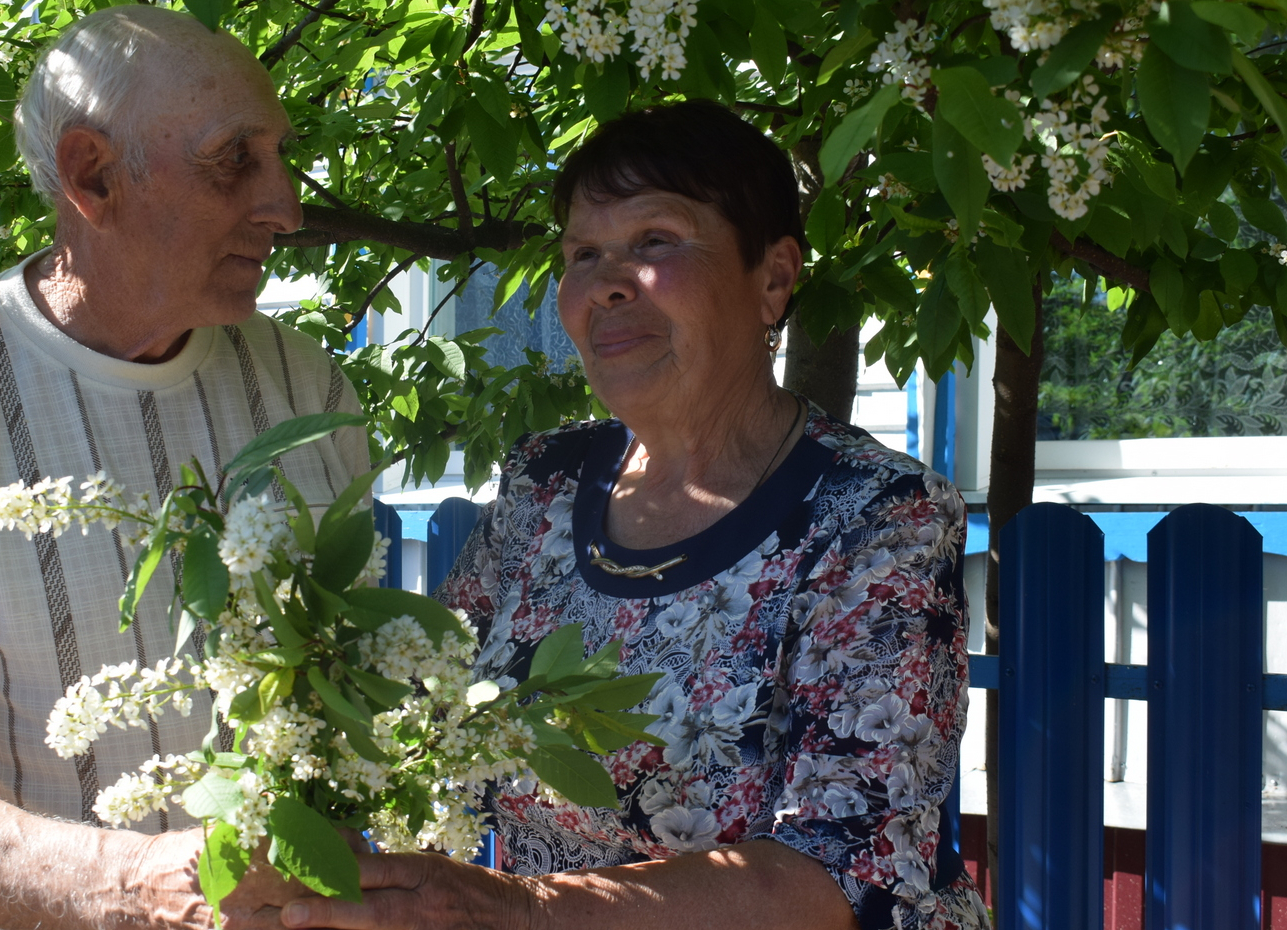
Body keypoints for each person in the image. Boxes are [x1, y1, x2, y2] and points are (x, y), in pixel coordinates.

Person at [263, 100, 989, 930]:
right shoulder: (546, 485)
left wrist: (514, 909)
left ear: (775, 278)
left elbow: (847, 870)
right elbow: (418, 715)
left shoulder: (876, 514)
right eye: (583, 253)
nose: (607, 281)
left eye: (654, 242)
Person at [0, 8, 368, 930]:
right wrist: (137, 887)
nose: (285, 206)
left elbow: (356, 704)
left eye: (281, 156)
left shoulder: (308, 386)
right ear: (91, 174)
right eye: (235, 160)